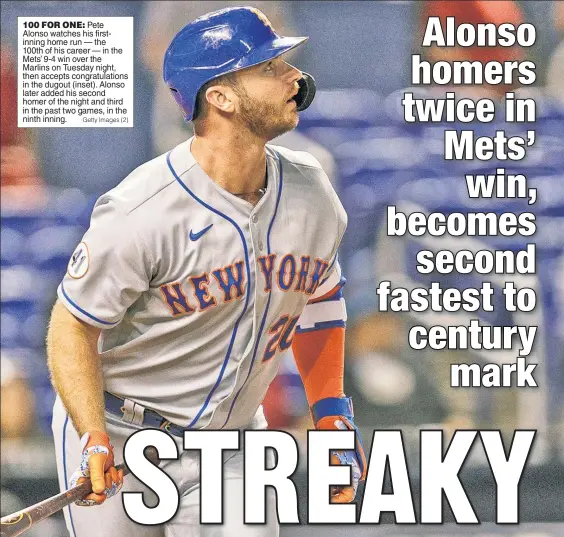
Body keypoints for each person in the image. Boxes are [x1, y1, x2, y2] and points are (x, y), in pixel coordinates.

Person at [47, 7, 366, 537]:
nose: (295, 76)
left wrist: (330, 409)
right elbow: (71, 327)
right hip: (125, 432)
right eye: (269, 67)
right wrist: (93, 437)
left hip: (236, 440)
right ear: (219, 97)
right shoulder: (140, 210)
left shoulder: (312, 190)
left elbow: (320, 297)